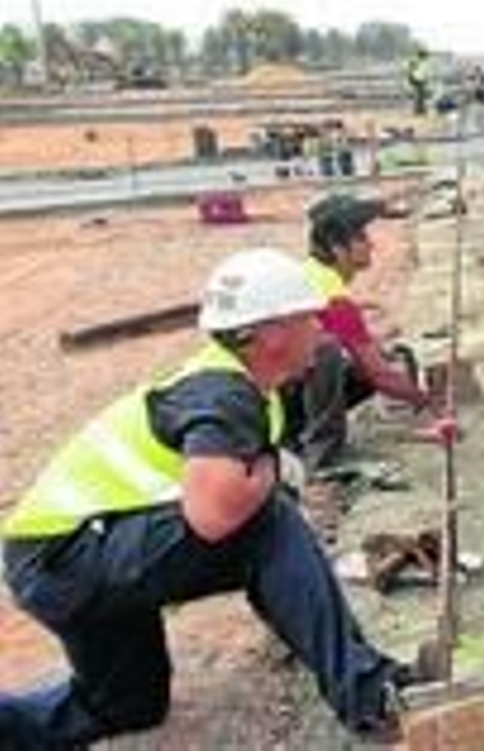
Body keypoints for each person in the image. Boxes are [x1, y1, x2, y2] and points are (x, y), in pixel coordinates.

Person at [0, 249, 433, 746]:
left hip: (69, 560)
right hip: (64, 556)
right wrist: (270, 472)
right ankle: (371, 695)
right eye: (308, 319)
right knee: (267, 522)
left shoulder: (239, 384)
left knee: (130, 706)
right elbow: (212, 517)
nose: (320, 330)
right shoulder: (223, 394)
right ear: (270, 332)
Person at [283, 192, 435, 473]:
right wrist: (428, 401)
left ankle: (298, 435)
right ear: (337, 248)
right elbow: (380, 376)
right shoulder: (332, 298)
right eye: (361, 238)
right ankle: (324, 455)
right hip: (274, 404)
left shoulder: (312, 274)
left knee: (366, 356)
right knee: (332, 353)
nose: (371, 245)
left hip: (281, 391)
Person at [404, 47, 432, 116]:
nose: (426, 57)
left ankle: (420, 109)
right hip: (417, 79)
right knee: (420, 95)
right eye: (425, 55)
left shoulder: (421, 61)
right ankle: (419, 110)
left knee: (420, 95)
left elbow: (424, 72)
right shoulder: (416, 60)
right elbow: (409, 67)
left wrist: (426, 79)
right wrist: (410, 75)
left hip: (419, 79)